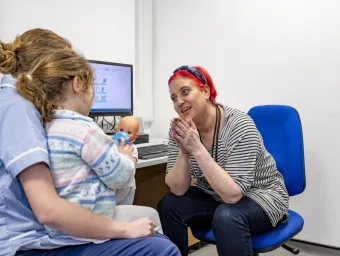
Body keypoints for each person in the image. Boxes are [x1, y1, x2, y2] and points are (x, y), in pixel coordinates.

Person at [0, 29, 179, 256]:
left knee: (151, 223)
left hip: (47, 232)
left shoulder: (36, 113)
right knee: (161, 248)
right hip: (28, 243)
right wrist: (125, 229)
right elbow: (48, 210)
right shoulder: (19, 109)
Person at [15, 49, 163, 241]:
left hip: (59, 228)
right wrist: (127, 158)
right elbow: (120, 177)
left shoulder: (46, 126)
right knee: (151, 217)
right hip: (88, 225)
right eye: (93, 87)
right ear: (77, 84)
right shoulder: (85, 130)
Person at [157, 65, 289, 256]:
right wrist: (184, 152)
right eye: (174, 98)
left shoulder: (239, 124)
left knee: (227, 216)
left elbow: (233, 195)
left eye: (185, 91)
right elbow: (178, 189)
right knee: (168, 205)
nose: (179, 102)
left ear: (205, 91)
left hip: (261, 195)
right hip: (215, 195)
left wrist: (197, 149)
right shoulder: (180, 130)